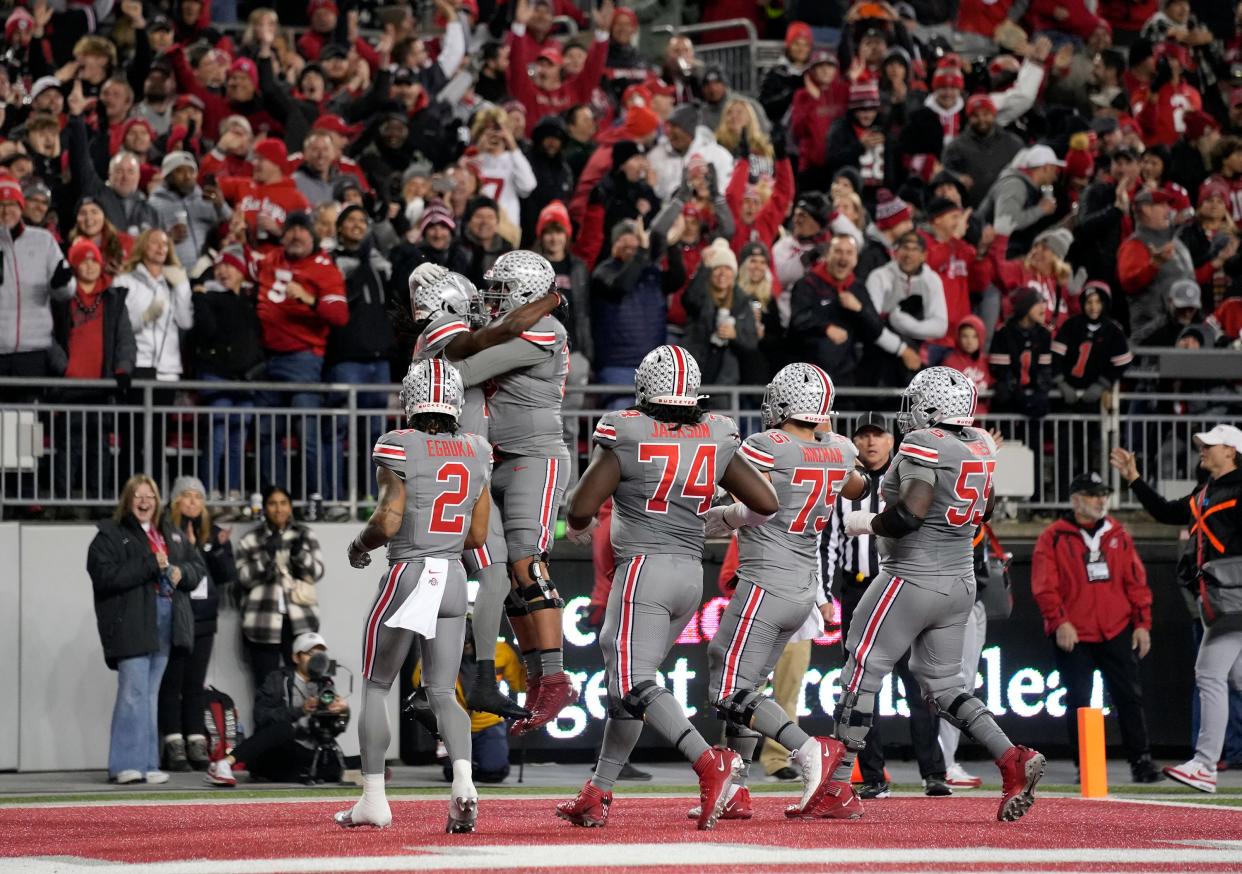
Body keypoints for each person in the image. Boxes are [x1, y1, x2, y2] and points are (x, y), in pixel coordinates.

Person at [555, 345, 779, 831]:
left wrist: (580, 514)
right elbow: (765, 501)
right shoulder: (717, 432)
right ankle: (599, 790)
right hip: (689, 574)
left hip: (644, 569)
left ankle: (707, 761)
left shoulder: (627, 430)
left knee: (633, 682)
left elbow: (580, 506)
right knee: (629, 686)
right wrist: (719, 516)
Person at [833, 367, 1046, 822]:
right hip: (959, 582)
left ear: (930, 408)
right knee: (945, 686)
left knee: (860, 671)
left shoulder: (923, 442)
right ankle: (1012, 758)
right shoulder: (978, 446)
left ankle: (835, 786)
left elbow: (910, 514)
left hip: (912, 573)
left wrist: (865, 523)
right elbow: (984, 508)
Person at [699, 363, 868, 820]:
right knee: (748, 687)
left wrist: (724, 516)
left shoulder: (765, 445)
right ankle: (736, 790)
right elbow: (860, 483)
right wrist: (827, 439)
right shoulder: (840, 449)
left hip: (766, 579)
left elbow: (756, 503)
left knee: (725, 683)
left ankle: (807, 748)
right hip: (804, 588)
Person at [335, 359, 493, 831]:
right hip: (453, 576)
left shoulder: (398, 443)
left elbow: (387, 520)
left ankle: (373, 799)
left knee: (378, 684)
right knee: (444, 691)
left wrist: (358, 545)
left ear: (412, 398)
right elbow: (478, 534)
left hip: (411, 570)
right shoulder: (478, 449)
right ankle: (463, 782)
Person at [450, 251, 575, 734]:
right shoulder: (523, 324)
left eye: (501, 289)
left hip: (533, 459)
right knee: (503, 580)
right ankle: (539, 677)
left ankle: (556, 677)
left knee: (527, 561)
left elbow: (468, 369)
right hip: (495, 461)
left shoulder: (548, 328)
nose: (492, 297)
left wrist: (441, 347)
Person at [823, 411, 954, 798]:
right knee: (863, 686)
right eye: (862, 436)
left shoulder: (910, 476)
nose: (869, 442)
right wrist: (825, 595)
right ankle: (874, 776)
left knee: (919, 683)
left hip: (904, 585)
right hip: (859, 589)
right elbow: (829, 543)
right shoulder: (846, 485)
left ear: (891, 439)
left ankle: (934, 772)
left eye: (877, 434)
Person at [1111, 425, 1242, 793]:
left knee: (1210, 674)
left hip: (1236, 598)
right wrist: (1135, 479)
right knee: (1236, 679)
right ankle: (1204, 765)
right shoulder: (1206, 491)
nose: (1201, 449)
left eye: (1209, 445)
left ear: (1231, 451)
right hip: (1222, 597)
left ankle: (1204, 765)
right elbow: (1167, 512)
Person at [1030, 471, 1162, 784]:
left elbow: (1136, 581)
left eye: (1102, 494)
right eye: (1093, 495)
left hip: (1115, 628)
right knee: (1079, 700)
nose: (1100, 500)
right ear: (1076, 500)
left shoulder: (1117, 533)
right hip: (1075, 632)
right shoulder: (1054, 536)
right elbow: (1044, 586)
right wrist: (1059, 620)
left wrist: (1142, 623)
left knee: (1129, 696)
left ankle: (1141, 762)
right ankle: (1086, 766)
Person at [87, 474, 203, 785]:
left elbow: (197, 566)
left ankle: (148, 762)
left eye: (149, 496)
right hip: (132, 623)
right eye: (137, 495)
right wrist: (150, 564)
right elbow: (104, 576)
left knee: (150, 694)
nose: (144, 501)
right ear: (127, 501)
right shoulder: (110, 534)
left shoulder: (168, 532)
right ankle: (125, 763)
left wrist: (182, 572)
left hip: (165, 619)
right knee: (133, 693)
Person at [158, 476, 236, 772]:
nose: (193, 502)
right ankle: (173, 742)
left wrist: (215, 548)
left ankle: (195, 739)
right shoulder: (165, 530)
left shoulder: (213, 534)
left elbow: (228, 575)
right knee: (171, 681)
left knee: (194, 683)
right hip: (176, 617)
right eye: (187, 496)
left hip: (205, 618)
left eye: (198, 498)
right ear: (176, 500)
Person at [205, 631, 350, 787]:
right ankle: (224, 764)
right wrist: (300, 710)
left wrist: (342, 712)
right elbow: (262, 717)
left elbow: (335, 730)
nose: (317, 659)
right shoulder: (277, 678)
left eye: (321, 654)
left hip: (305, 750)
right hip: (276, 748)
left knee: (348, 763)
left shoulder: (326, 684)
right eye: (311, 654)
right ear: (296, 657)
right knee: (285, 729)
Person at [234, 485, 325, 696]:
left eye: (283, 503)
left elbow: (318, 571)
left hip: (300, 623)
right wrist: (266, 557)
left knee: (305, 686)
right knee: (268, 690)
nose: (278, 509)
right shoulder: (251, 539)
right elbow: (244, 578)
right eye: (273, 504)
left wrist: (299, 556)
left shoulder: (305, 534)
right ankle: (272, 729)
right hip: (262, 625)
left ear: (291, 507)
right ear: (265, 508)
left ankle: (300, 729)